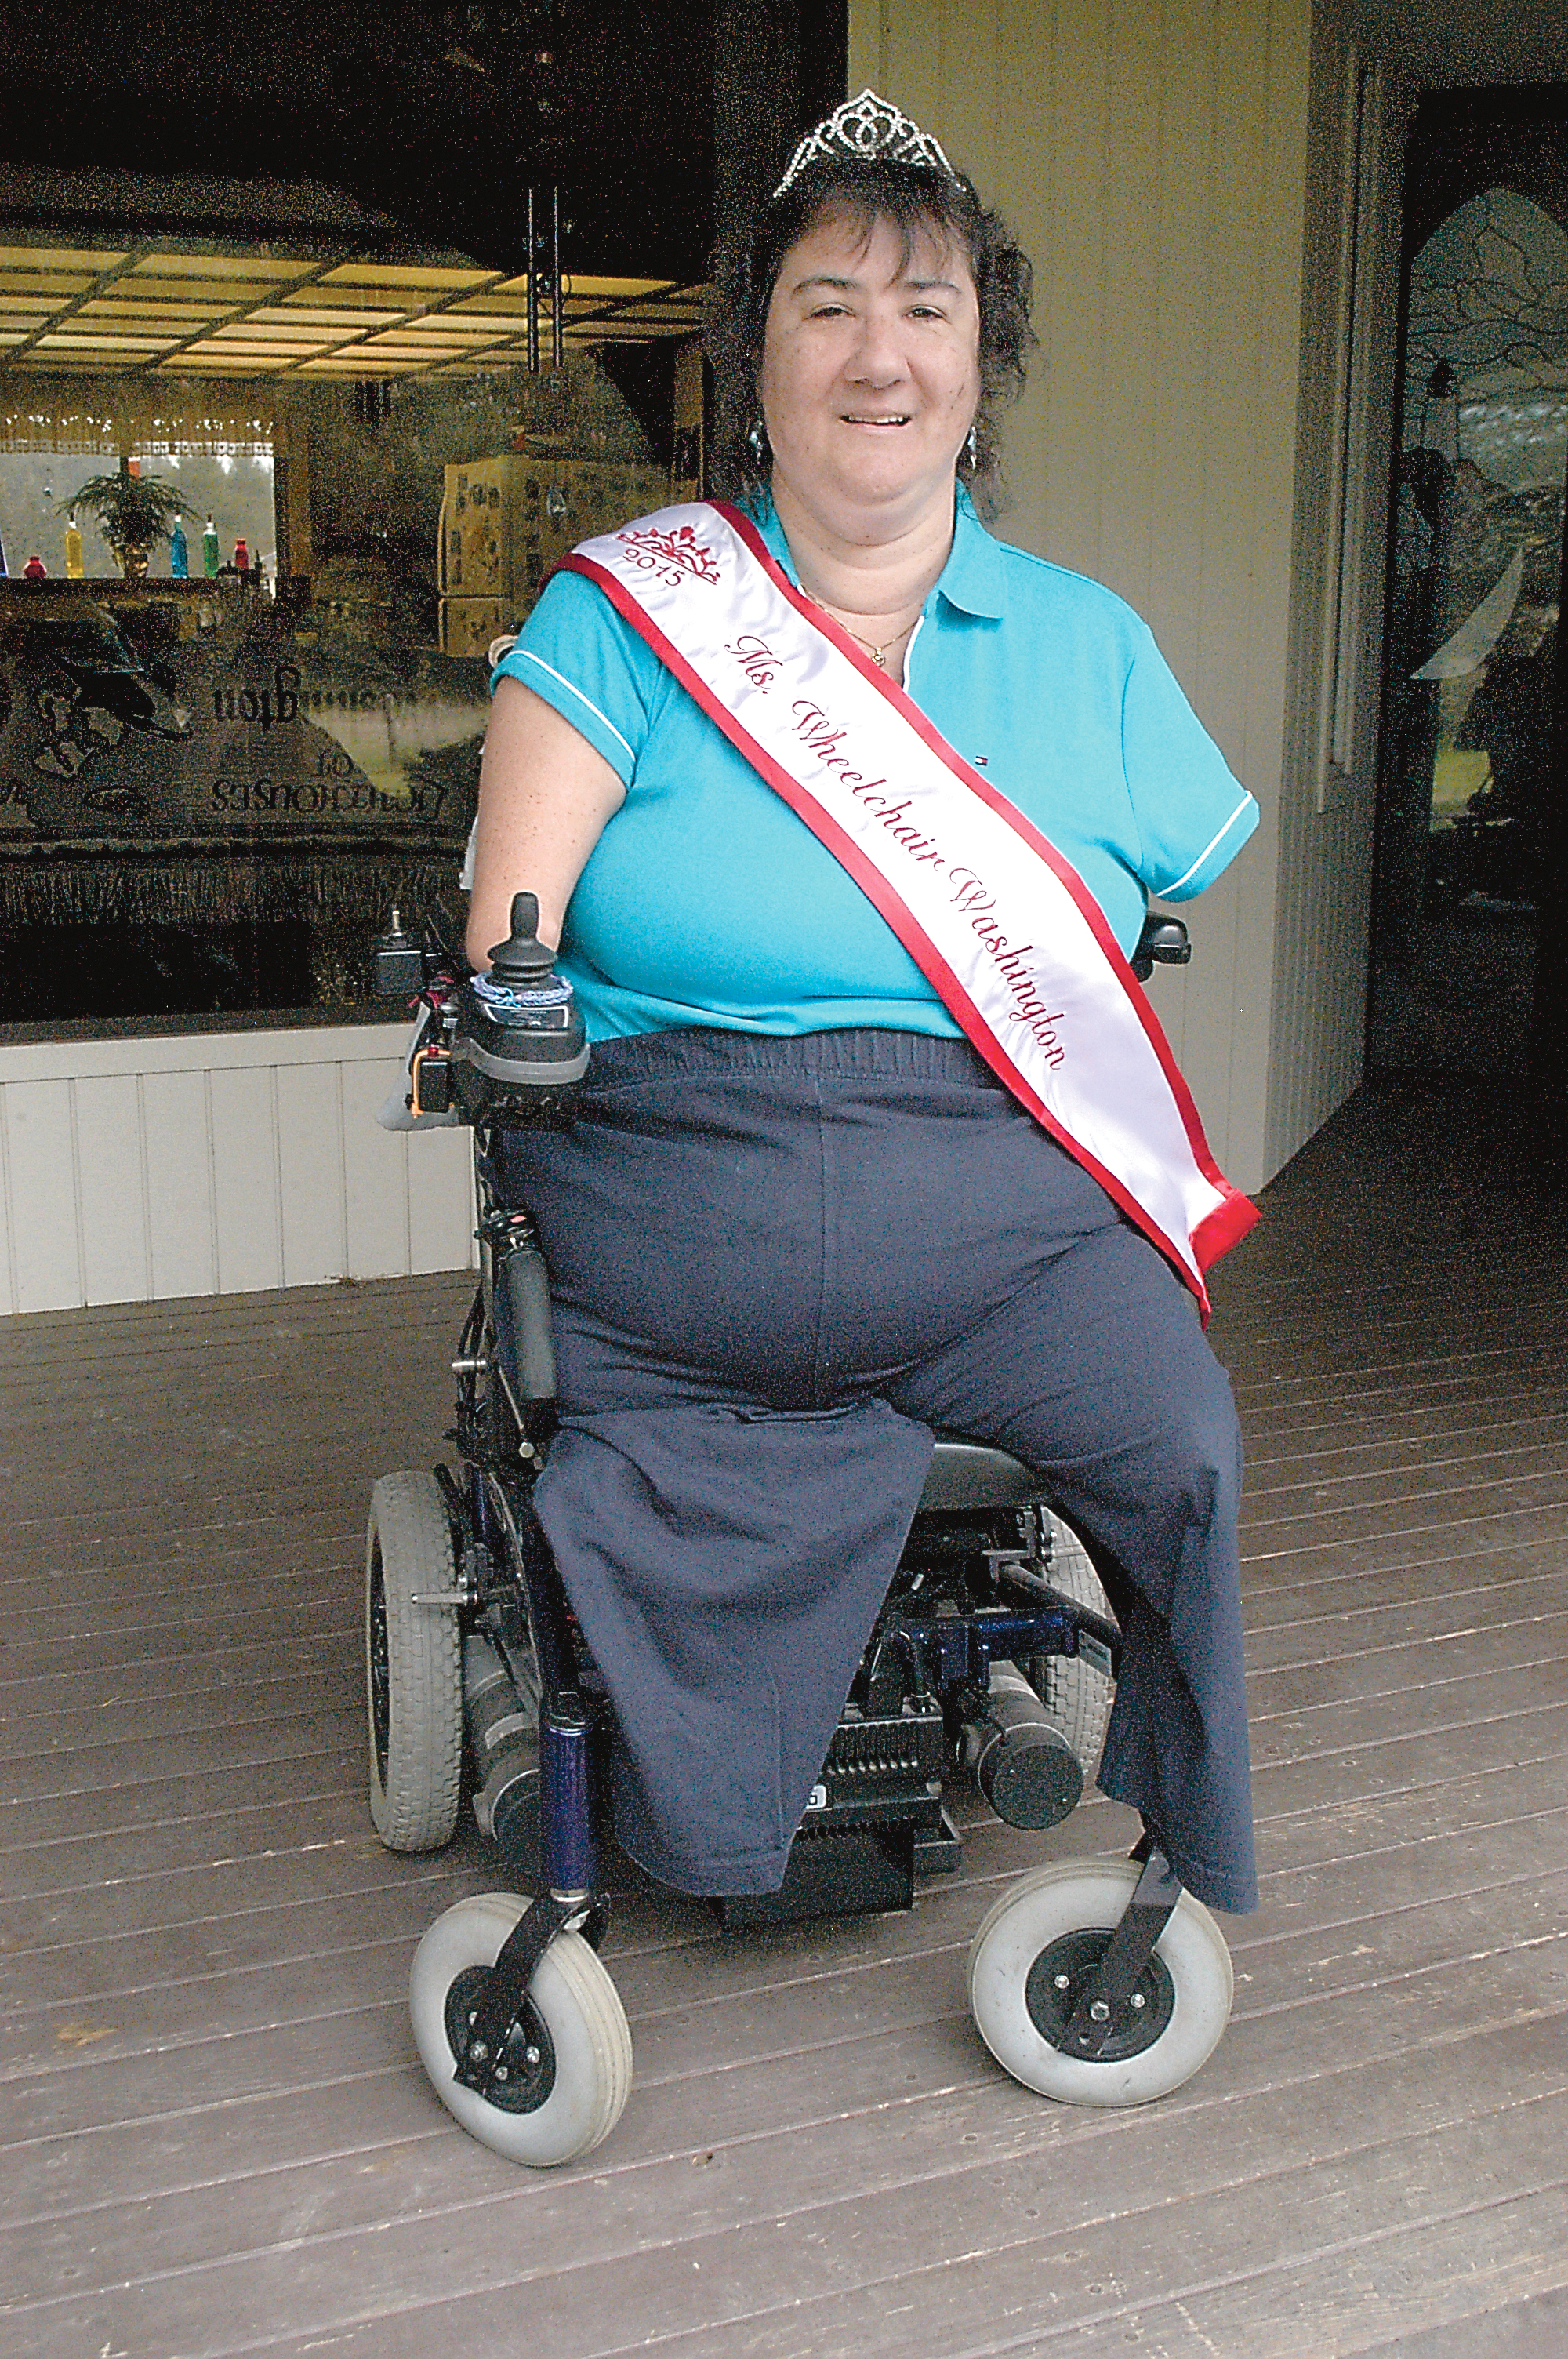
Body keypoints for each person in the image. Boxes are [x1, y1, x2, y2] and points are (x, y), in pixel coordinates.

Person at [464, 91, 1261, 1917]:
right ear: (756, 358)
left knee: (1184, 1448)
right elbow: (508, 935)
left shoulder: (1090, 646)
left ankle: (1173, 1853)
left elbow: (1159, 900)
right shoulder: (622, 617)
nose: (877, 355)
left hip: (1011, 1233)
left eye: (925, 308)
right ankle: (690, 1806)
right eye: (826, 306)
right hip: (688, 1214)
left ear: (983, 364)